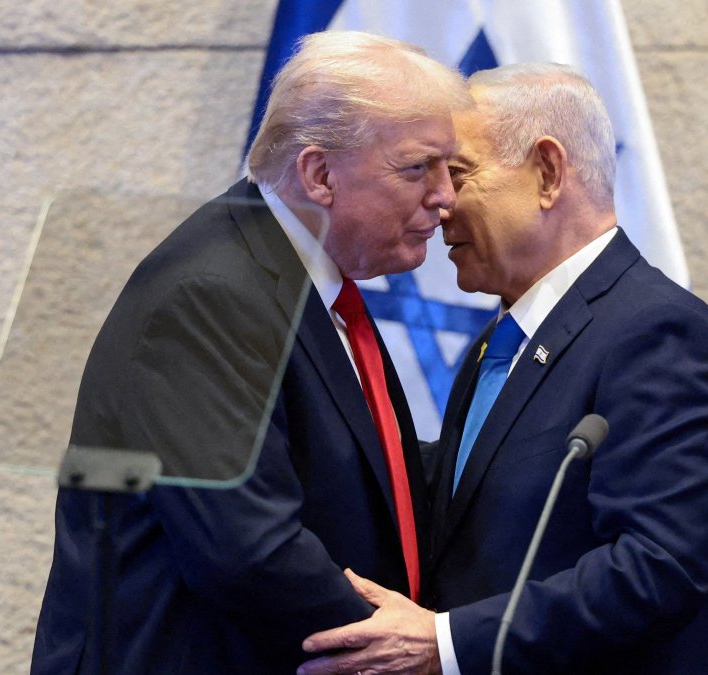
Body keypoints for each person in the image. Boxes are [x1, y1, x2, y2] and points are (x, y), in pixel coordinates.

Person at [298, 64, 708, 674]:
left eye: (458, 173)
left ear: (547, 172)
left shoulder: (655, 332)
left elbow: (658, 567)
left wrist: (445, 644)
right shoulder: (504, 340)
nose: (437, 203)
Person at [31, 31, 471, 674]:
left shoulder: (302, 274)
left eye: (450, 169)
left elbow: (354, 473)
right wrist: (397, 647)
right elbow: (247, 548)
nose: (445, 197)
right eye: (417, 168)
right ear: (319, 174)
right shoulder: (212, 293)